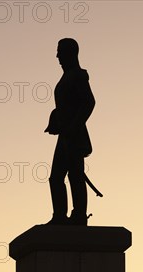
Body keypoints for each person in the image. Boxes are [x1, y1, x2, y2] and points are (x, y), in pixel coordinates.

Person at [44, 38, 95, 226]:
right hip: (65, 134)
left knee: (73, 175)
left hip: (74, 134)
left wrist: (73, 126)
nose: (57, 56)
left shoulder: (78, 76)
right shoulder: (67, 77)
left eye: (60, 51)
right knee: (57, 177)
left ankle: (78, 215)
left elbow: (89, 102)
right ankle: (60, 216)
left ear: (70, 53)